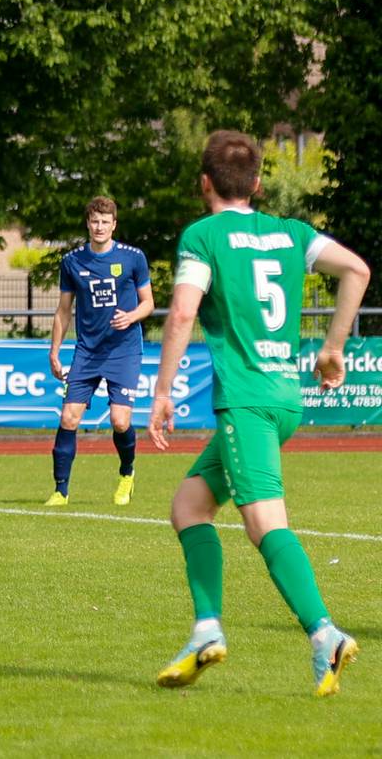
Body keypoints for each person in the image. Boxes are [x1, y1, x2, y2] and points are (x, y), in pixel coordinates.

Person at [149, 131, 369, 697]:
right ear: (258, 185)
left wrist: (163, 390)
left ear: (205, 184)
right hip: (284, 397)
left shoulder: (203, 236)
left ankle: (324, 633)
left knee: (264, 523)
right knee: (189, 506)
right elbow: (357, 271)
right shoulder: (290, 234)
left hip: (245, 401)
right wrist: (333, 346)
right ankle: (205, 630)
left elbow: (180, 315)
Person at [45, 197, 154, 506]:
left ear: (114, 225)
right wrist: (55, 352)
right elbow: (63, 311)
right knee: (69, 417)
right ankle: (60, 490)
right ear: (88, 224)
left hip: (124, 350)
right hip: (87, 351)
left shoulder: (133, 258)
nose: (100, 227)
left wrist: (131, 316)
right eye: (95, 221)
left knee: (120, 421)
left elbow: (149, 303)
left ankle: (127, 474)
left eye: (105, 222)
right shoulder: (72, 262)